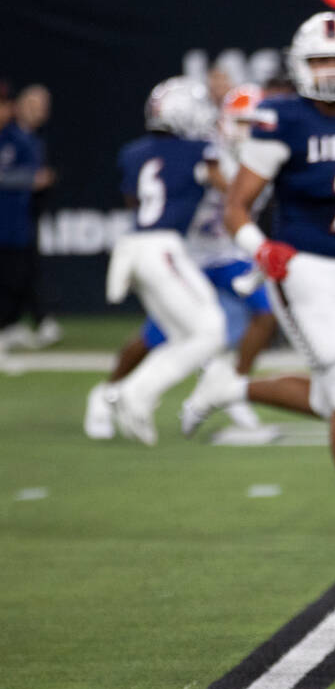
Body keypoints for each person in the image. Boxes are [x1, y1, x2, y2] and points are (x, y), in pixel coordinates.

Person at [182, 12, 335, 550]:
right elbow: (237, 208)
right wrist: (260, 248)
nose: (334, 69)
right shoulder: (281, 119)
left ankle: (231, 385)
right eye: (322, 60)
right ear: (301, 66)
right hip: (298, 267)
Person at [87, 84, 277, 440]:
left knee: (259, 315)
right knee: (165, 333)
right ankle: (111, 393)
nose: (248, 131)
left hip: (223, 252)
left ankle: (231, 386)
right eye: (241, 123)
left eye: (255, 124)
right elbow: (230, 194)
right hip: (186, 252)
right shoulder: (206, 152)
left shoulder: (249, 156)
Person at [94, 77, 227, 444]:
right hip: (163, 247)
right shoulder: (201, 149)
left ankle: (124, 395)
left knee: (178, 334)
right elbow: (227, 188)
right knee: (211, 330)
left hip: (134, 245)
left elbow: (134, 202)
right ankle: (135, 393)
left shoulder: (134, 153)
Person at [0, 83, 55, 353]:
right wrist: (31, 179)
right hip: (6, 217)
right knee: (12, 273)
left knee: (22, 272)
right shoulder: (8, 137)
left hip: (22, 216)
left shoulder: (32, 139)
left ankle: (13, 324)